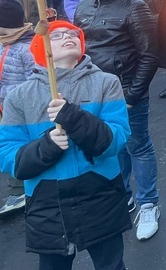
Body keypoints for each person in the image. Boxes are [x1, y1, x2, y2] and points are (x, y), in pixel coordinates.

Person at [0, 20, 131, 269]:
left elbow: (116, 140)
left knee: (111, 264)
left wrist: (73, 117)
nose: (68, 36)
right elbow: (8, 156)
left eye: (73, 33)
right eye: (57, 35)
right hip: (49, 206)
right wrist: (45, 147)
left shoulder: (106, 83)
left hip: (100, 197)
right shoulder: (20, 96)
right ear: (41, 46)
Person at [73, 0, 160, 240]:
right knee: (110, 146)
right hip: (93, 91)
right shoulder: (83, 7)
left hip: (125, 90)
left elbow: (150, 55)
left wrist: (133, 95)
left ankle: (148, 202)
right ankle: (122, 194)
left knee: (137, 145)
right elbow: (80, 52)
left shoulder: (134, 7)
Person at [0, 0, 35, 216]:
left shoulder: (26, 48)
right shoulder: (4, 43)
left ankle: (20, 190)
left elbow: (34, 80)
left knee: (18, 145)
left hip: (20, 108)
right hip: (4, 106)